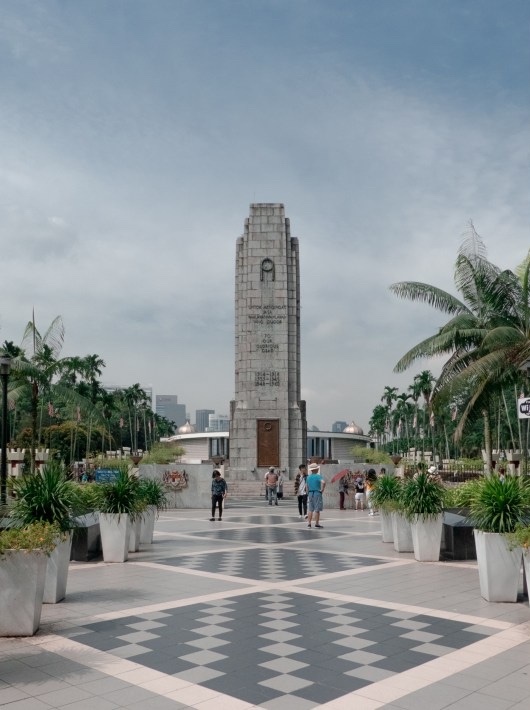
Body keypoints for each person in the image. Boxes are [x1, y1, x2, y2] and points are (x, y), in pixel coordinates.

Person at [307, 462, 326, 528]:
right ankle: (316, 523)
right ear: (315, 470)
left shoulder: (308, 477)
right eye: (317, 468)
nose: (318, 469)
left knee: (310, 509)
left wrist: (308, 493)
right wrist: (322, 489)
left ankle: (309, 524)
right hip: (317, 493)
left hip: (310, 493)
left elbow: (307, 487)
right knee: (317, 509)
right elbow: (323, 482)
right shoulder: (318, 476)